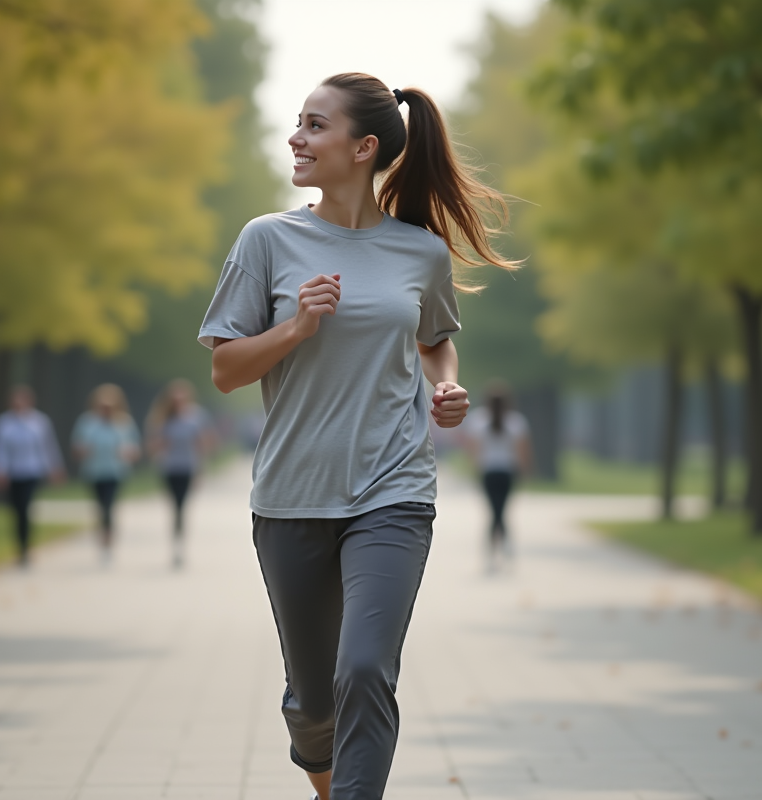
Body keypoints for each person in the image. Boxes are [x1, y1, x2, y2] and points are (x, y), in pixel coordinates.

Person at [198, 73, 516, 800]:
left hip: (393, 489)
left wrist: (444, 385)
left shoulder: (420, 252)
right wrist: (295, 328)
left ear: (363, 146)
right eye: (298, 123)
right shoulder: (268, 240)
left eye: (314, 125)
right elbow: (223, 371)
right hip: (292, 495)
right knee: (313, 707)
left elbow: (435, 338)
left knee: (367, 669)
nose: (296, 138)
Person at [0, 386, 65, 567]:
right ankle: (19, 546)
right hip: (12, 472)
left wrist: (54, 468)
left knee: (25, 508)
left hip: (31, 471)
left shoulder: (40, 422)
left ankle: (25, 548)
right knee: (16, 511)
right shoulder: (2, 423)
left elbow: (47, 447)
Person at [145, 379, 214, 569]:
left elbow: (203, 444)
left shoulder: (196, 416)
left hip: (188, 468)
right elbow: (152, 445)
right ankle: (175, 543)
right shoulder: (162, 418)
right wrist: (160, 444)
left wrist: (201, 469)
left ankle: (180, 545)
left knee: (182, 507)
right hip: (169, 469)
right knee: (174, 506)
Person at [463, 382, 533, 567]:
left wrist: (474, 468)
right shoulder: (516, 421)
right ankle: (505, 544)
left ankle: (493, 549)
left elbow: (473, 449)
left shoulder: (478, 420)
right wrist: (525, 471)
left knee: (494, 511)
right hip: (507, 472)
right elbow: (522, 451)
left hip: (488, 472)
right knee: (501, 511)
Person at [72, 384, 141, 563]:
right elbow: (77, 447)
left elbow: (135, 449)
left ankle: (108, 542)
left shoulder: (123, 423)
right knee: (100, 507)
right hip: (94, 472)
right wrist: (84, 451)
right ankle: (102, 536)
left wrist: (126, 452)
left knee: (109, 506)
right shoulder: (87, 423)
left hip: (116, 472)